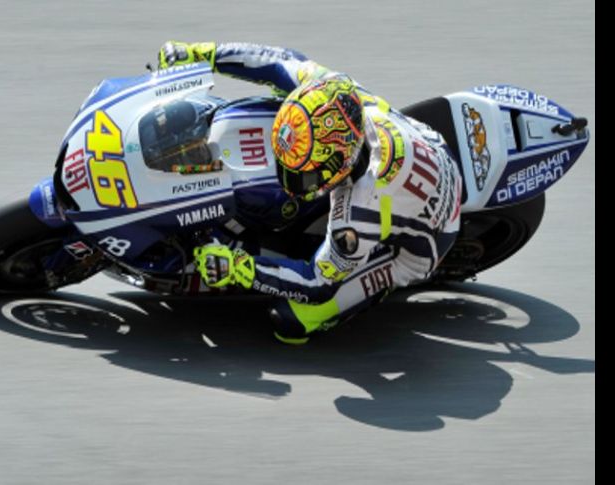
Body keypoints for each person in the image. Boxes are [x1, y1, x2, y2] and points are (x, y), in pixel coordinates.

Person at [159, 41, 462, 344]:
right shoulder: (335, 95)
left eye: (303, 176)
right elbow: (278, 61)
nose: (289, 180)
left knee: (290, 320)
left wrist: (240, 267)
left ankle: (373, 286)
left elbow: (315, 282)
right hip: (428, 146)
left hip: (424, 243)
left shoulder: (357, 215)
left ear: (339, 164)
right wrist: (204, 54)